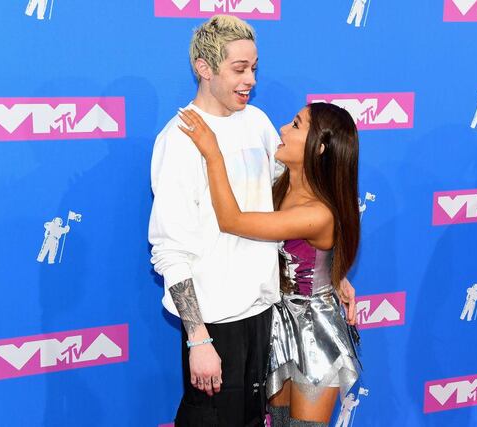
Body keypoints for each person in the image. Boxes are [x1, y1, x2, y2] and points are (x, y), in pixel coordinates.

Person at [148, 15, 357, 427]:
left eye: (254, 68)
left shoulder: (258, 122)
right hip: (216, 325)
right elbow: (170, 250)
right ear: (204, 69)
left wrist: (331, 272)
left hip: (266, 317)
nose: (250, 80)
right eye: (239, 69)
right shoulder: (178, 140)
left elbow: (290, 205)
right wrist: (199, 338)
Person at [178, 101, 362, 426]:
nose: (283, 129)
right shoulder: (282, 181)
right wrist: (338, 277)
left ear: (318, 147)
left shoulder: (317, 213)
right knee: (276, 422)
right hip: (277, 322)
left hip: (315, 331)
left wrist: (213, 155)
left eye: (295, 125)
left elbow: (232, 220)